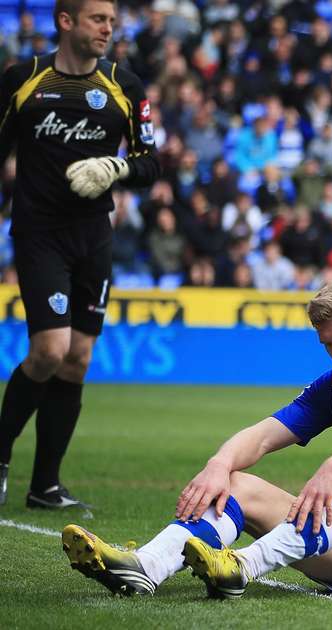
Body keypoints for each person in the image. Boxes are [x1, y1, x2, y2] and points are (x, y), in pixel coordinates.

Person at [62, 277, 332, 598]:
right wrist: (219, 464)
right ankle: (147, 567)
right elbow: (263, 436)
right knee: (236, 484)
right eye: (329, 345)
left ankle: (241, 567)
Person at [0, 0, 161, 509]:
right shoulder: (22, 79)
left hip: (94, 237)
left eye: (112, 21)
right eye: (98, 19)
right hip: (39, 233)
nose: (108, 29)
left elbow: (150, 162)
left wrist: (116, 169)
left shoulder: (124, 84)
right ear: (65, 21)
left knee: (77, 360)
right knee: (49, 350)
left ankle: (45, 485)